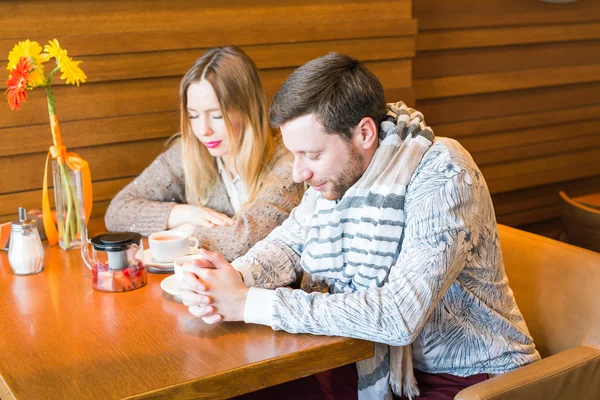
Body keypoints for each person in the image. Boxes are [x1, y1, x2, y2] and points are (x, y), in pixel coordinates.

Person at [180, 53, 541, 399]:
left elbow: (400, 315)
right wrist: (231, 279)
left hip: (471, 378)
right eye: (295, 154)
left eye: (314, 154)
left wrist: (249, 304)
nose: (298, 173)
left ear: (364, 134)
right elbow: (291, 243)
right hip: (361, 359)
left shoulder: (443, 172)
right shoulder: (340, 176)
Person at [105, 46, 304, 261]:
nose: (203, 130)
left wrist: (186, 231)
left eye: (216, 116)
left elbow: (244, 242)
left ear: (248, 109)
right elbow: (117, 212)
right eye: (193, 115)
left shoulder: (290, 161)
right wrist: (187, 214)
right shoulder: (190, 153)